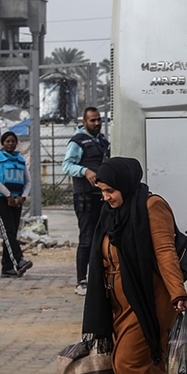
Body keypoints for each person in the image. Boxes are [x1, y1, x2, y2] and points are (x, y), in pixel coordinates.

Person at [81, 158, 187, 374]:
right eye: (102, 191)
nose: (106, 197)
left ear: (125, 183)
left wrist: (178, 293)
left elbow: (164, 252)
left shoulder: (151, 206)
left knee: (128, 363)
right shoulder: (112, 212)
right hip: (118, 303)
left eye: (110, 190)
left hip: (149, 300)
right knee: (128, 364)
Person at [64, 107, 111, 296]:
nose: (97, 123)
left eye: (98, 120)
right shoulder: (78, 142)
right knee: (86, 239)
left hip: (102, 197)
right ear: (84, 122)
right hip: (85, 197)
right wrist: (85, 171)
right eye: (92, 120)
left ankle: (99, 278)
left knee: (102, 239)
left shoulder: (102, 142)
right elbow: (67, 165)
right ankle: (81, 281)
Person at [0, 132, 32, 278]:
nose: (10, 144)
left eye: (13, 141)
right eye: (7, 141)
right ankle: (19, 260)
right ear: (3, 143)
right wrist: (8, 195)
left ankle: (7, 268)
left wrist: (23, 196)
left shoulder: (20, 159)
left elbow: (28, 181)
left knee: (11, 232)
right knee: (7, 231)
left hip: (16, 199)